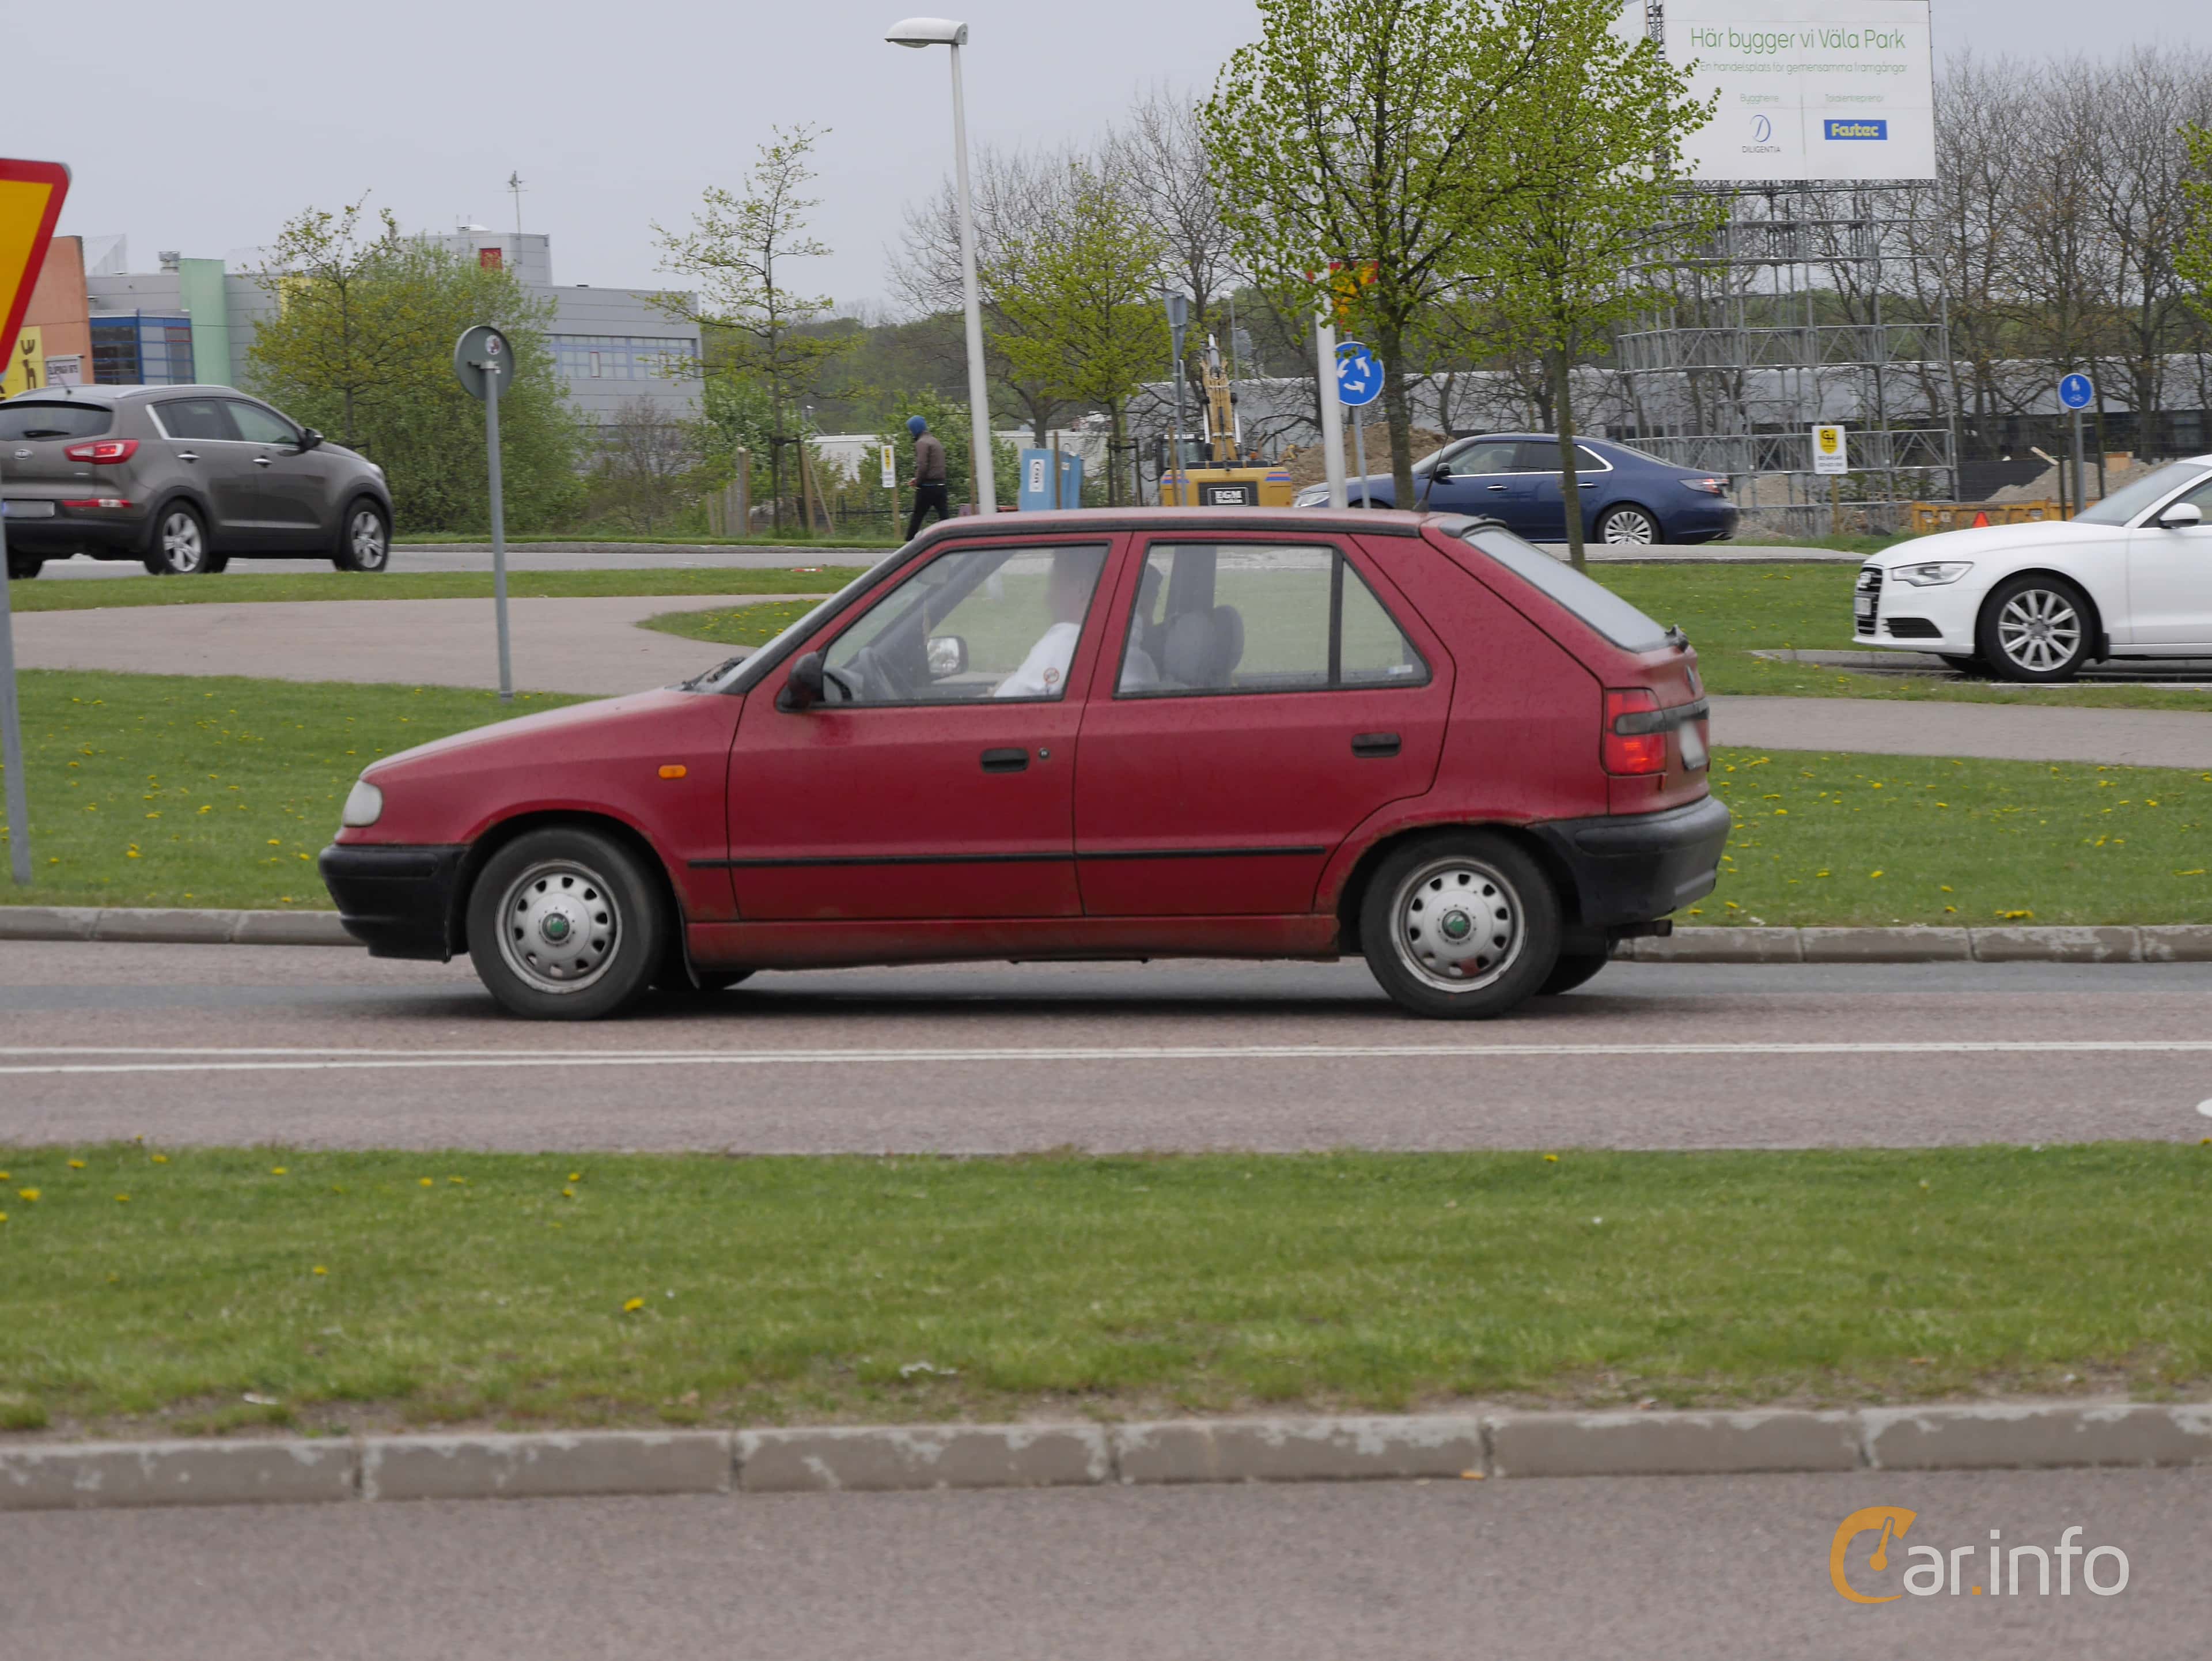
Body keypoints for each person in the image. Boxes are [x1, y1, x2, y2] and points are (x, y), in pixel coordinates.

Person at [994, 549, 1100, 698]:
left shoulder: (1063, 646)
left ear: (1080, 589)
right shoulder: (1133, 651)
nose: (1047, 597)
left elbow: (1002, 704)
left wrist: (999, 690)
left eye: (1054, 583)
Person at [904, 415, 952, 539]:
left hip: (927, 488)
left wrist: (918, 482)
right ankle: (950, 539)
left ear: (915, 429)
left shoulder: (922, 443)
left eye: (911, 430)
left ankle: (908, 542)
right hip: (941, 485)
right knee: (944, 517)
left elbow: (922, 466)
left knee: (917, 516)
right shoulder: (935, 441)